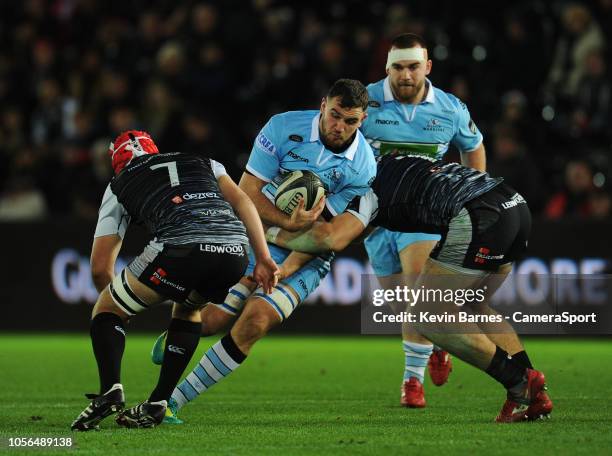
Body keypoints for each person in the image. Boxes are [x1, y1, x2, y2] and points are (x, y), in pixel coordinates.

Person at [266, 153, 553, 423]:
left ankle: (519, 382)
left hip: (479, 217)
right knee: (474, 304)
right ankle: (537, 396)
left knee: (424, 316)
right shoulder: (394, 160)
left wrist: (269, 231)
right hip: (513, 204)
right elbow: (353, 232)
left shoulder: (364, 187)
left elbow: (332, 239)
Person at [160, 79, 377, 424]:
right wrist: (278, 232)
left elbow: (324, 235)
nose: (340, 127)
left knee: (255, 321)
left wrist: (285, 267)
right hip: (256, 231)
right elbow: (247, 191)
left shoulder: (362, 166)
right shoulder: (282, 127)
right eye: (335, 115)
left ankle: (171, 401)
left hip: (304, 255)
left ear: (362, 120)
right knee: (211, 320)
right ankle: (180, 331)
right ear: (323, 105)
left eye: (350, 121)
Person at [70, 130, 279, 430]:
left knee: (107, 308)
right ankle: (158, 403)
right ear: (155, 150)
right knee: (188, 307)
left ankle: (110, 391)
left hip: (182, 247)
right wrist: (263, 257)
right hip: (234, 249)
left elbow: (100, 268)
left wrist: (117, 315)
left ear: (117, 163)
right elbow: (244, 202)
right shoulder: (205, 162)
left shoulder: (119, 184)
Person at [360, 33, 486, 407]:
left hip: (423, 214)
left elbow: (473, 147)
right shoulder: (365, 101)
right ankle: (435, 345)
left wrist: (471, 197)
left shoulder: (449, 108)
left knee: (419, 293)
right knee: (400, 300)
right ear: (387, 68)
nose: (405, 75)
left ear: (427, 67)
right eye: (398, 67)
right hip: (375, 216)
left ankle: (411, 383)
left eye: (413, 66)